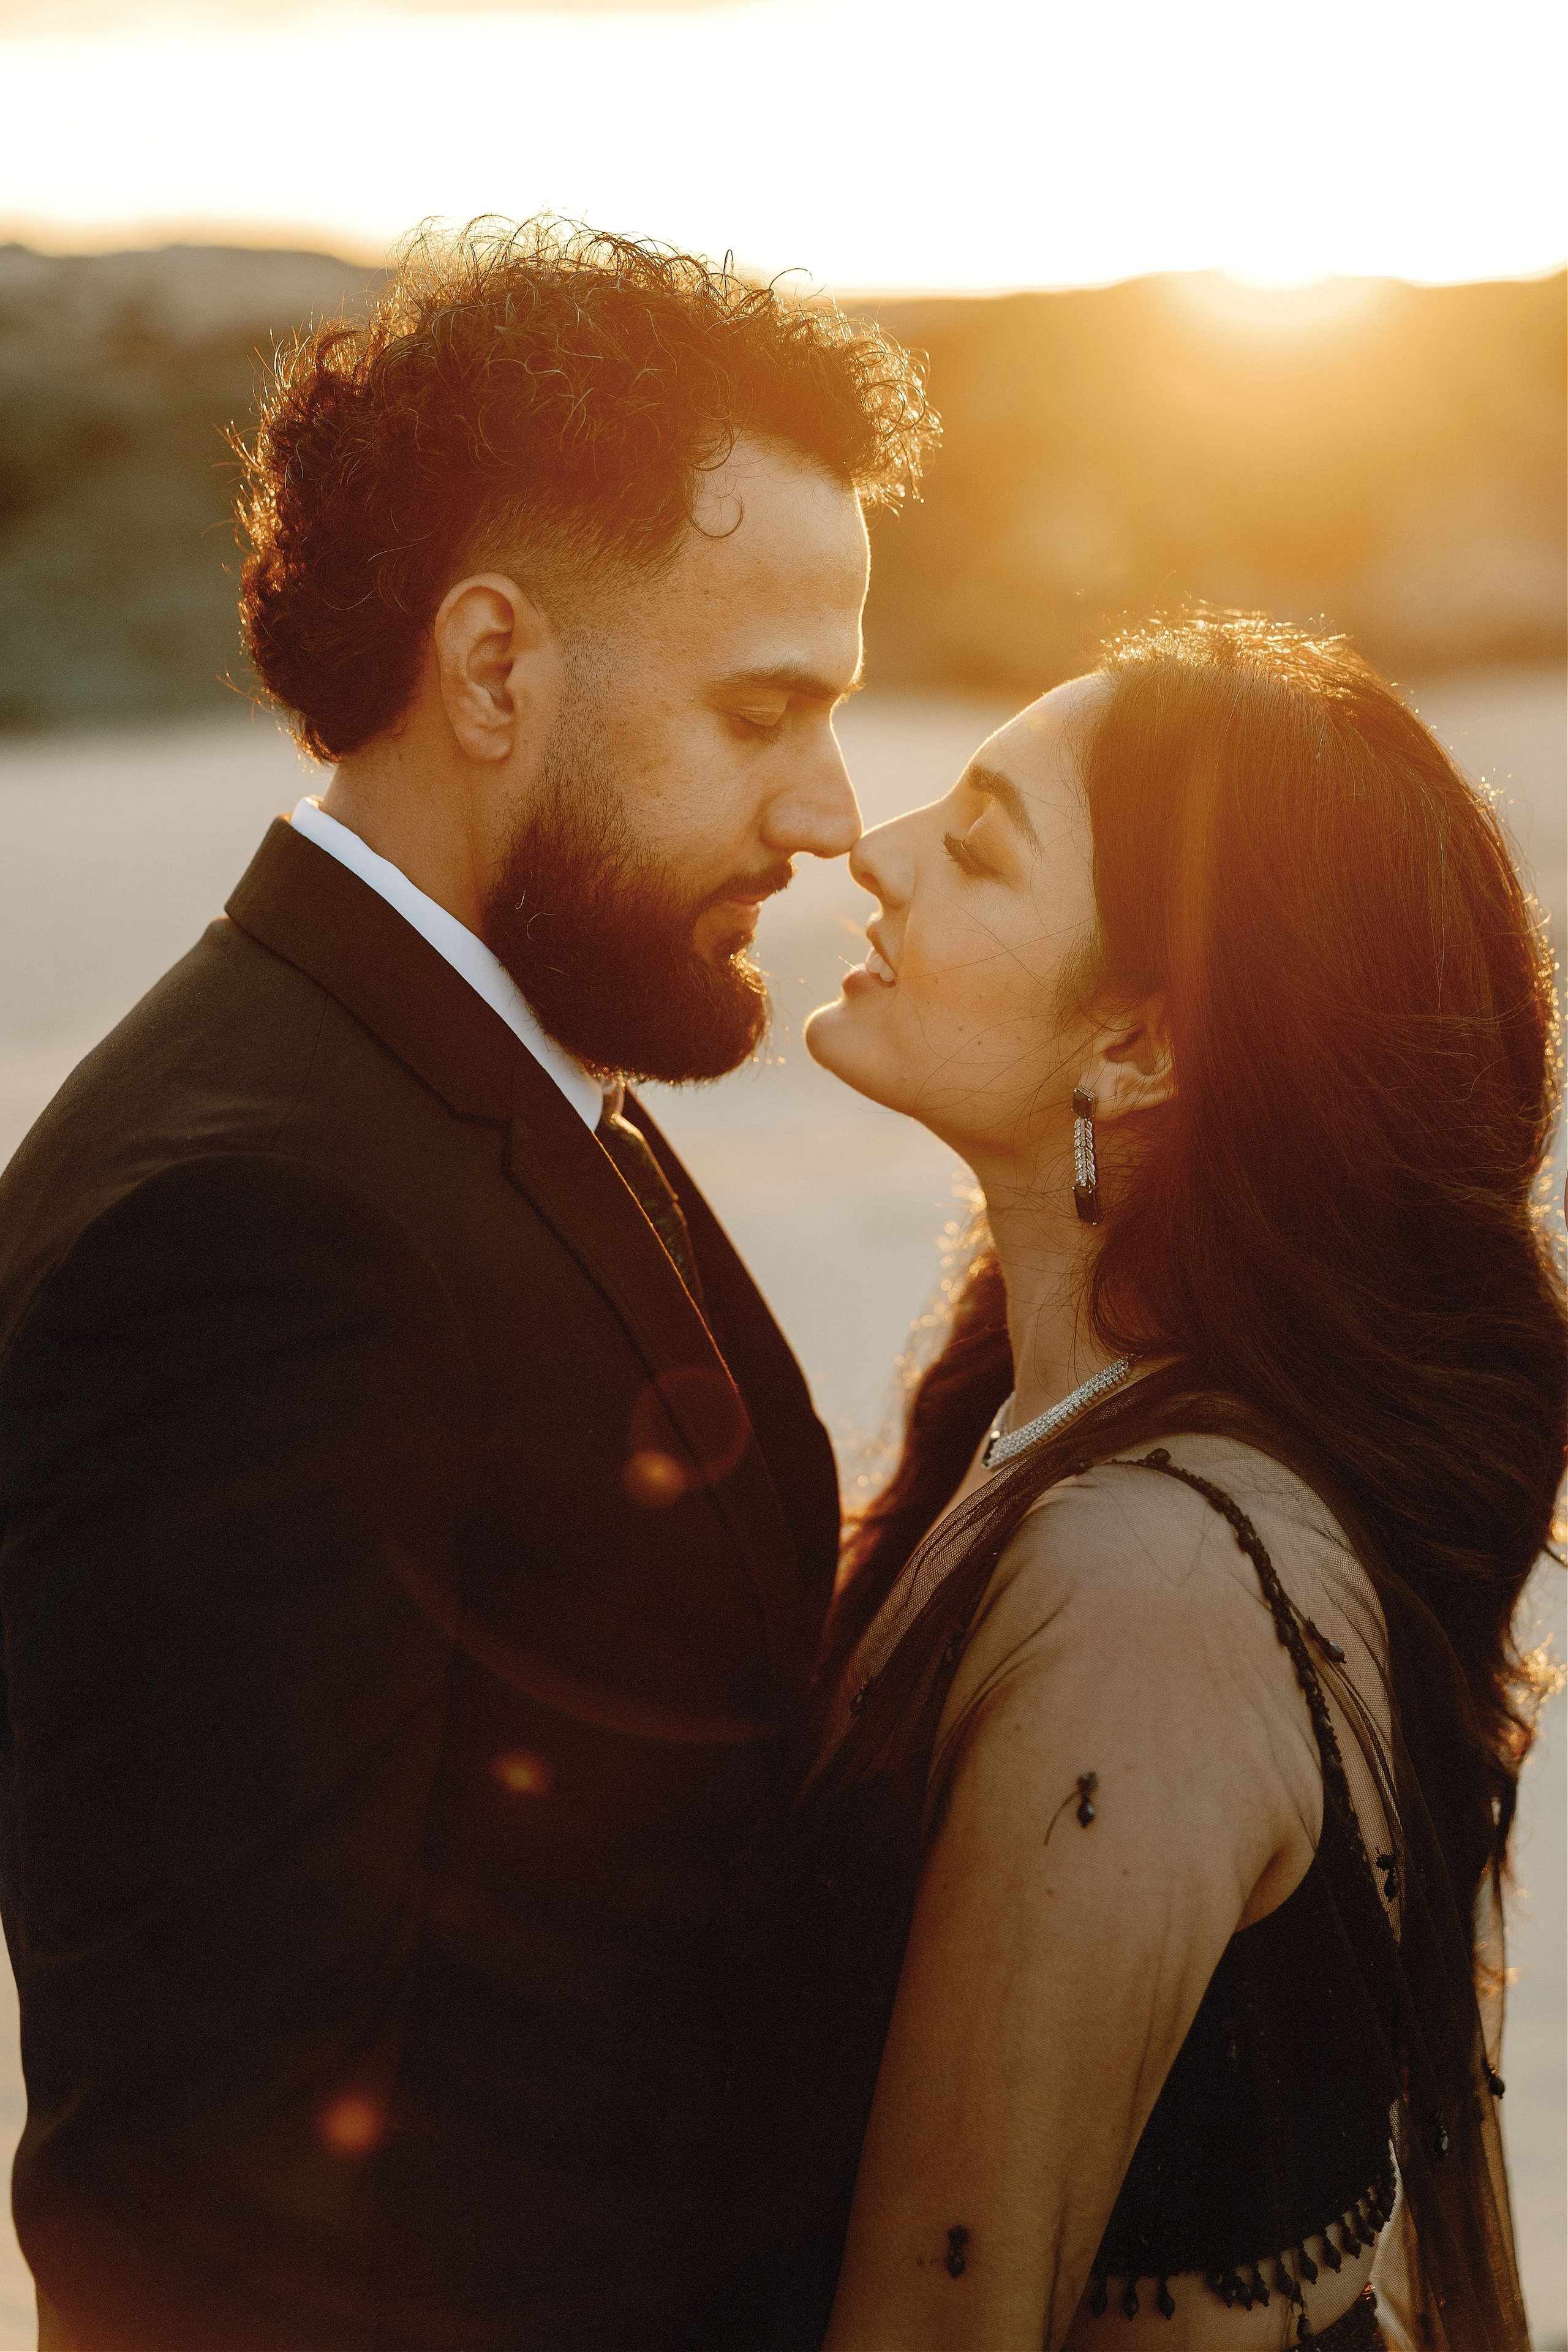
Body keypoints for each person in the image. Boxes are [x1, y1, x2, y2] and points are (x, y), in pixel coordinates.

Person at [0, 221, 933, 2349]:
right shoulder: (249, 1233)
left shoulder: (469, 1071)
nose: (827, 810)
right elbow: (197, 2198)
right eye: (762, 707)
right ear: (496, 668)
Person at [747, 616, 1564, 2350]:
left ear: (1136, 1047)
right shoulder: (1079, 1438)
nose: (868, 855)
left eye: (972, 849)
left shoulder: (1153, 1584)